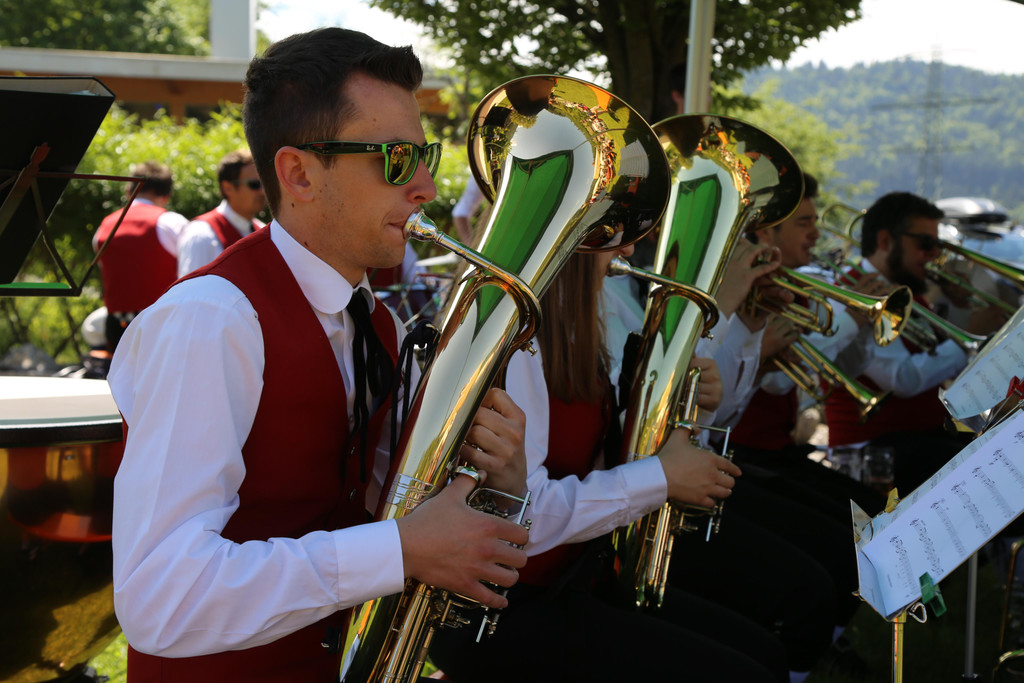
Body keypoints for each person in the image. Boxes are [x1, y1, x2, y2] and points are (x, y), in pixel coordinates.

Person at [109, 28, 530, 681]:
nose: (425, 186)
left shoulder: (380, 322)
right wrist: (398, 549)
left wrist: (499, 480)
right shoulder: (211, 320)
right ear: (299, 174)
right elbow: (159, 598)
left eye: (424, 156)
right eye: (396, 158)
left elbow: (388, 511)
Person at [429, 240, 825, 683]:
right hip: (498, 611)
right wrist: (661, 476)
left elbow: (600, 457)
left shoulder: (577, 327)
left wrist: (693, 409)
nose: (630, 247)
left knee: (764, 654)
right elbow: (522, 517)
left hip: (570, 578)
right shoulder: (520, 343)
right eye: (616, 230)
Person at [824, 191, 971, 494]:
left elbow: (934, 355)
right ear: (885, 241)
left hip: (918, 437)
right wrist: (968, 338)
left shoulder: (906, 291)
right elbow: (902, 378)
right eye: (925, 244)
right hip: (874, 451)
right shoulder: (855, 292)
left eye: (938, 246)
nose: (933, 255)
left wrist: (964, 308)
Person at [92, 160, 188, 352]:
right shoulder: (173, 223)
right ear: (166, 196)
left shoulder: (105, 225)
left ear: (129, 191)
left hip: (117, 328)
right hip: (164, 326)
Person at [177, 148, 267, 276]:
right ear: (227, 188)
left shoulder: (261, 229)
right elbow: (191, 288)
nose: (262, 191)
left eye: (264, 183)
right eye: (254, 184)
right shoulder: (201, 235)